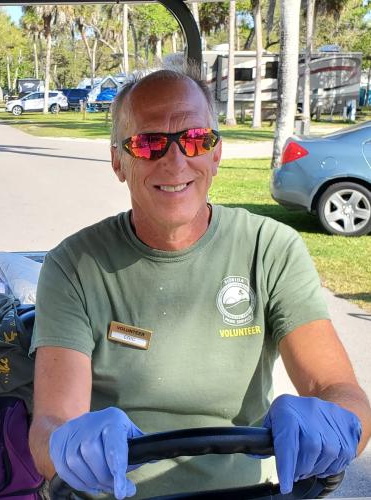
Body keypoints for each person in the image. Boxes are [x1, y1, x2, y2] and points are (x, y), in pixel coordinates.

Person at [28, 68, 370, 499]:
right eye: (149, 143)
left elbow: (338, 390)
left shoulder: (270, 248)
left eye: (194, 140)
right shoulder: (73, 266)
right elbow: (49, 426)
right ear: (118, 160)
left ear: (216, 153)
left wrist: (335, 422)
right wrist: (66, 446)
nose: (175, 162)